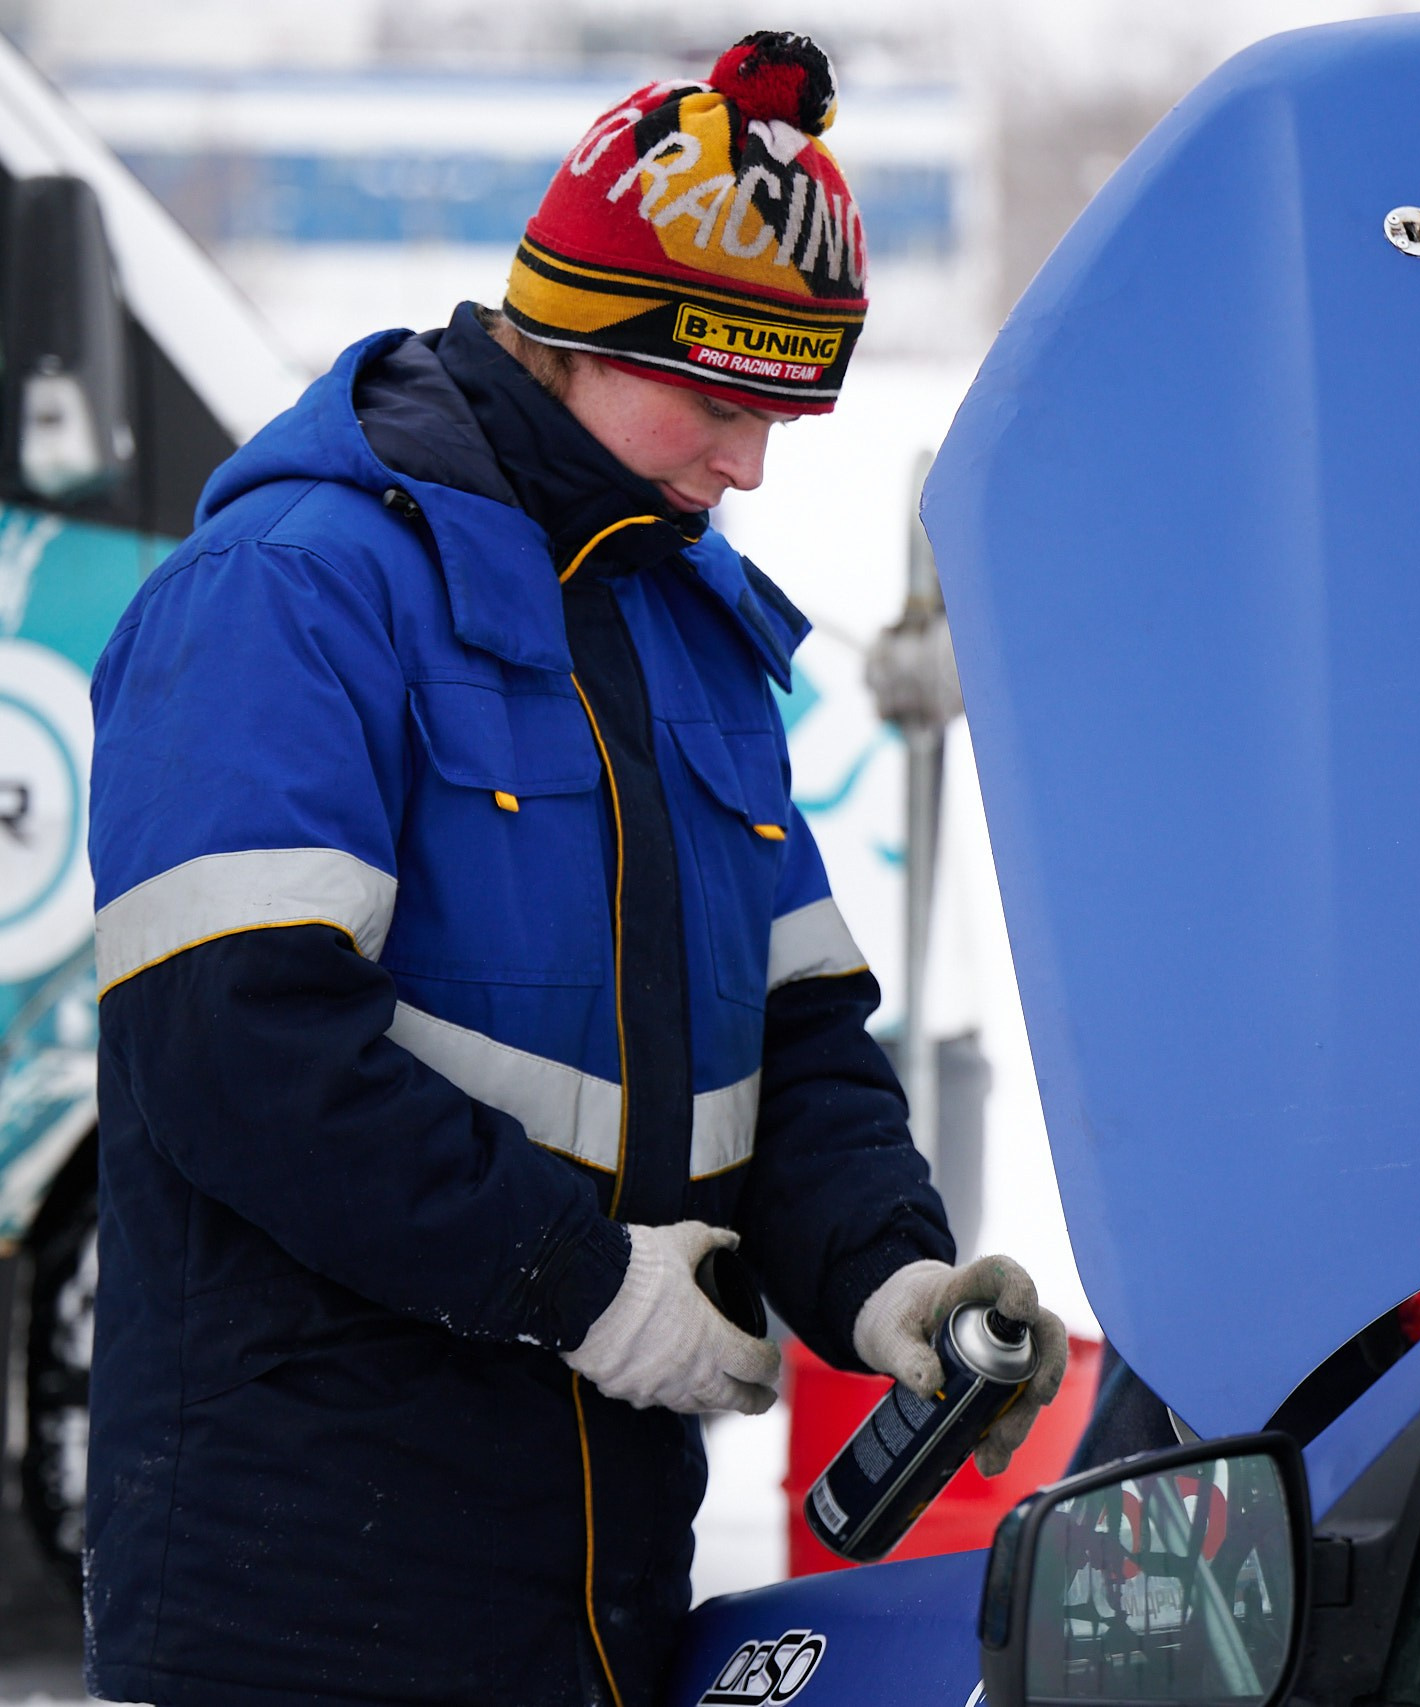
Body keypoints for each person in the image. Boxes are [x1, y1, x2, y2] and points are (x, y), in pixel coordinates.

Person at [81, 31, 1068, 1707]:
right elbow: (235, 1050)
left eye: (792, 410)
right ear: (585, 332)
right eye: (722, 399)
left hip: (600, 1592)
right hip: (308, 1604)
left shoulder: (681, 623)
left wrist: (887, 1273)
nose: (751, 465)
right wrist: (592, 1288)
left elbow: (797, 1033)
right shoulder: (292, 590)